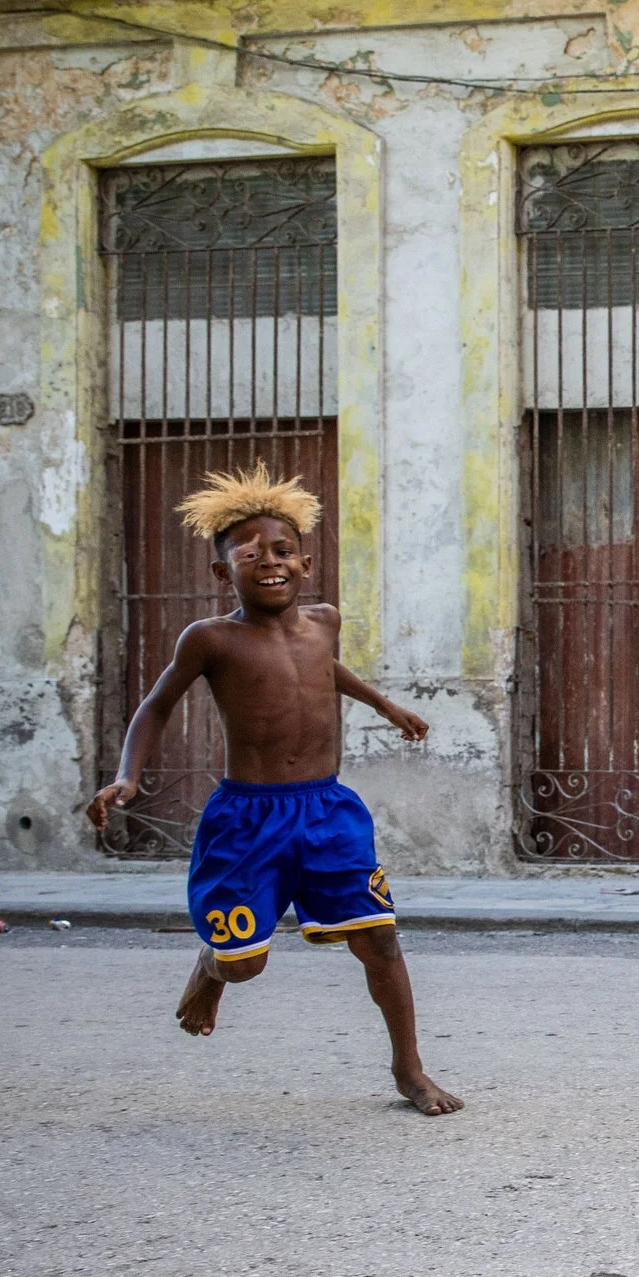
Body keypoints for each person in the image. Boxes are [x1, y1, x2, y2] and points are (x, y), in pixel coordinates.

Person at [86, 465, 462, 1117]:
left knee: (379, 937)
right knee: (244, 963)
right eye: (250, 552)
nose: (270, 561)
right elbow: (154, 706)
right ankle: (212, 966)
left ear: (306, 562)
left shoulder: (325, 620)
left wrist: (384, 704)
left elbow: (322, 666)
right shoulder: (209, 639)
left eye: (282, 549)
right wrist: (127, 774)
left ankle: (410, 1068)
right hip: (248, 820)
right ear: (221, 572)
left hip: (328, 811)